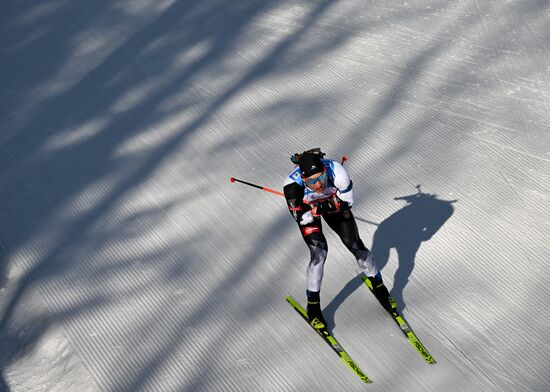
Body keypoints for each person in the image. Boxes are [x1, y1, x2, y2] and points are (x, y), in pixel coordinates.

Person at [283, 148, 391, 330]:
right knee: (319, 253)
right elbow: (303, 219)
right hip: (308, 210)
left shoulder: (338, 172)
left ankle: (379, 286)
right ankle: (313, 307)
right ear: (303, 179)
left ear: (326, 172)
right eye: (312, 181)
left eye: (321, 178)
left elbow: (347, 203)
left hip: (332, 206)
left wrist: (324, 205)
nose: (318, 184)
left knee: (355, 244)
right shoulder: (291, 187)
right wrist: (313, 210)